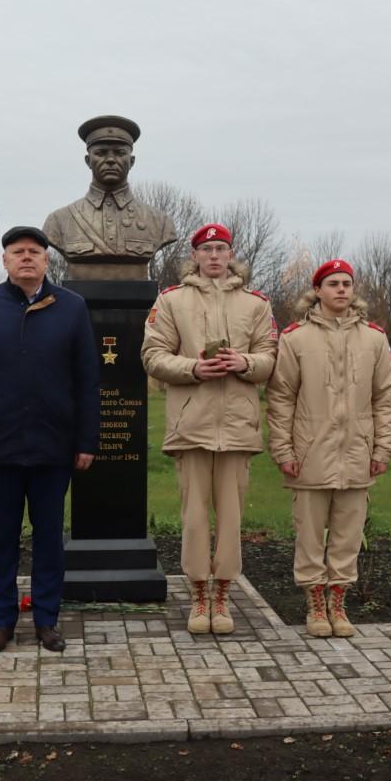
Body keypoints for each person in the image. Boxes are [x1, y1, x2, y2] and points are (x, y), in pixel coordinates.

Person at [0, 226, 99, 654]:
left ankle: (47, 620)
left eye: (34, 252)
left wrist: (86, 440)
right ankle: (2, 621)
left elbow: (87, 379)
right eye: (17, 252)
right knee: (3, 538)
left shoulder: (72, 308)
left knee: (49, 537)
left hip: (53, 447)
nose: (26, 258)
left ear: (46, 260)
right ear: (4, 261)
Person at [141, 223, 278, 635]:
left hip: (238, 428)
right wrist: (195, 368)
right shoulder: (171, 301)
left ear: (231, 253)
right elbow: (152, 355)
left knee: (232, 518)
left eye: (221, 249)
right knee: (195, 517)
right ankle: (199, 595)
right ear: (195, 255)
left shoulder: (256, 303)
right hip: (192, 425)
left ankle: (223, 594)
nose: (214, 256)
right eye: (207, 249)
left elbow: (271, 357)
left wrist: (246, 364)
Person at [266, 260, 391, 638]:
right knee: (309, 535)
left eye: (347, 283)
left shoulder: (374, 338)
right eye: (333, 284)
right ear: (318, 290)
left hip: (357, 453)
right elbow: (280, 399)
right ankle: (314, 605)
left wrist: (382, 447)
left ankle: (338, 602)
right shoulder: (294, 338)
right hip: (310, 454)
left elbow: (386, 397)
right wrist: (284, 450)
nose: (341, 290)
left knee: (347, 535)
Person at [42, 115, 178, 280]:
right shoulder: (59, 221)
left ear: (132, 161)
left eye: (120, 153)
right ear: (88, 161)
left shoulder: (160, 223)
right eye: (101, 153)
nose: (111, 160)